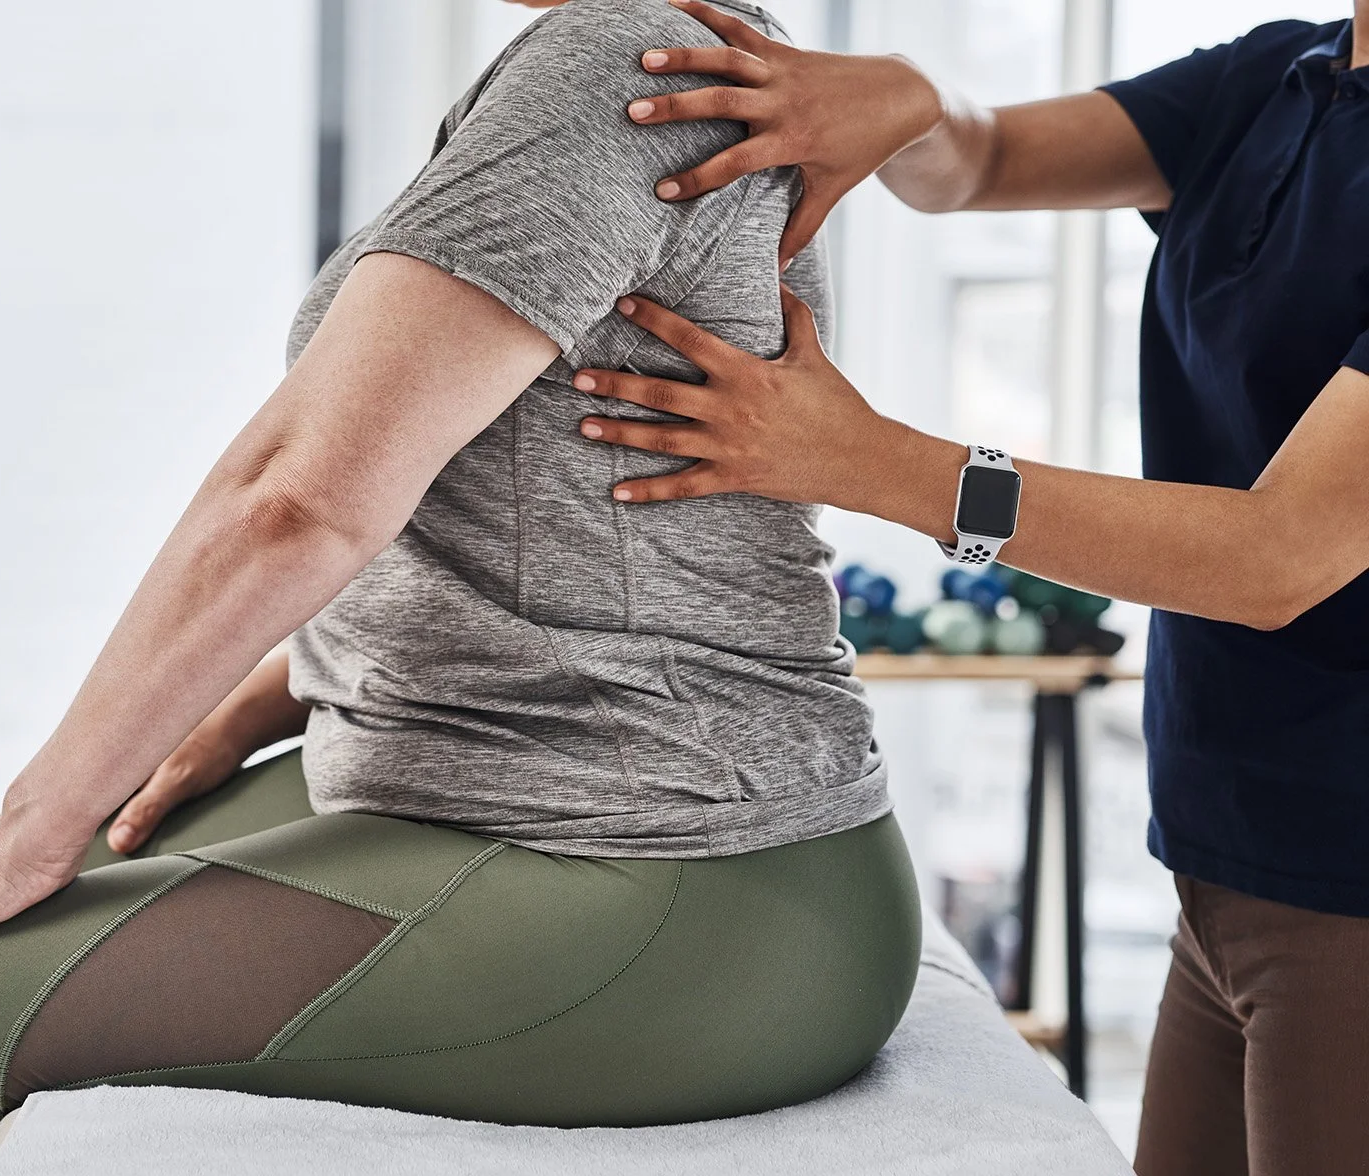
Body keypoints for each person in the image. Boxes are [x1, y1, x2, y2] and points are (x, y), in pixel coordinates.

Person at [0, 3, 922, 1173]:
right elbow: (539, 504)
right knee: (70, 873)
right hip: (538, 787)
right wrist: (263, 694)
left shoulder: (619, 67)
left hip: (678, 872)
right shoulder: (657, 52)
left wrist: (30, 822)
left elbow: (302, 499)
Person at [569, 3, 1369, 1173]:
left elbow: (1278, 559)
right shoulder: (1279, 75)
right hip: (1220, 857)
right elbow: (979, 161)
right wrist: (909, 103)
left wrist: (872, 462)